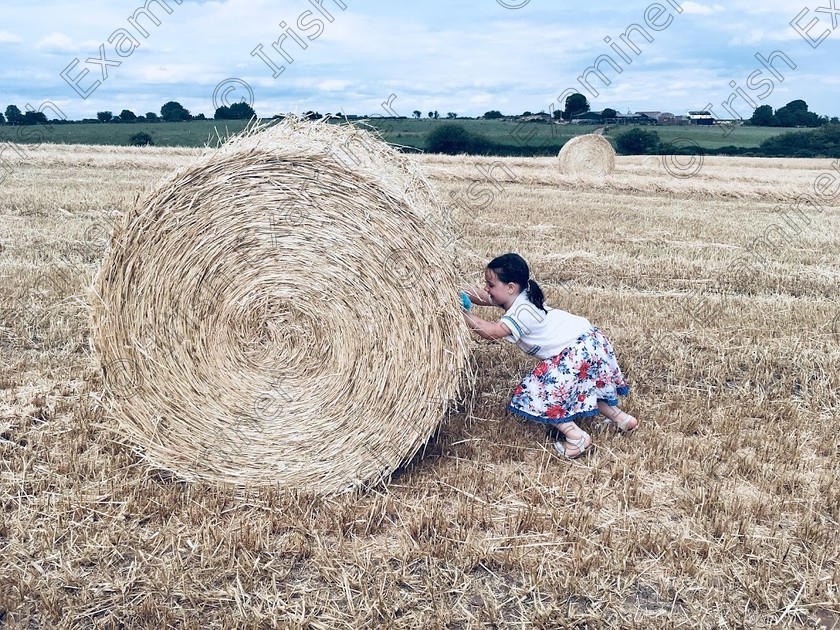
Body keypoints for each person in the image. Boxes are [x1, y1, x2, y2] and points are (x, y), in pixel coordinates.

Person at [461, 253, 637, 459]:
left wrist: (461, 313)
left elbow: (491, 332)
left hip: (574, 350)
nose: (486, 289)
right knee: (586, 388)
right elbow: (485, 297)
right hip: (589, 340)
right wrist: (454, 292)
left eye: (490, 284)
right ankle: (622, 419)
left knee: (540, 392)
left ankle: (576, 437)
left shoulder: (523, 312)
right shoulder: (521, 293)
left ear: (510, 287)